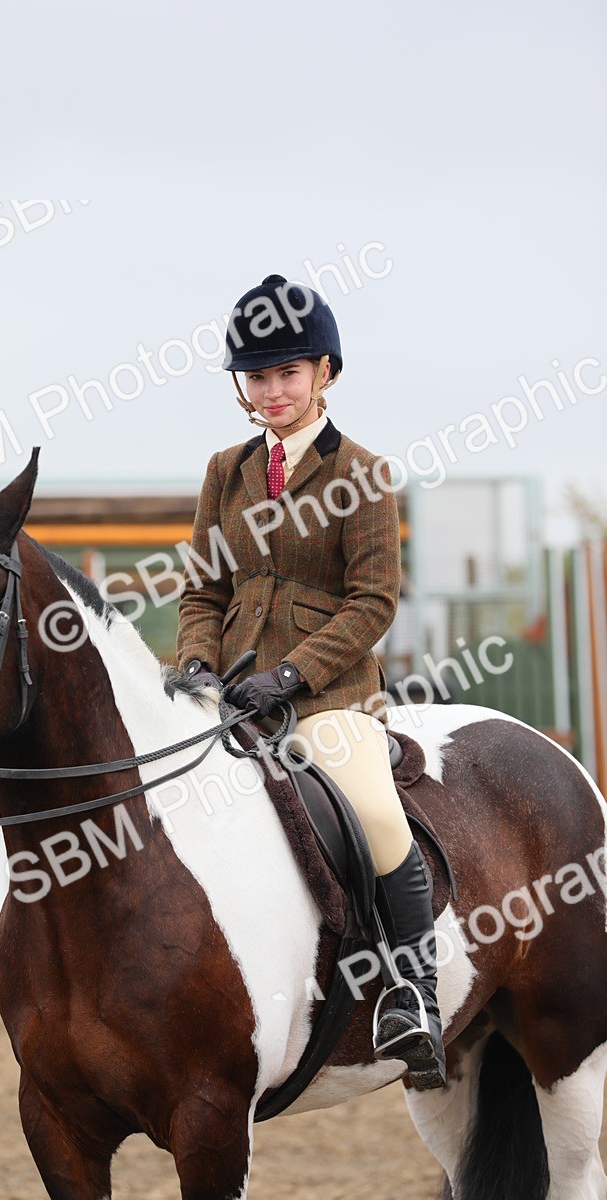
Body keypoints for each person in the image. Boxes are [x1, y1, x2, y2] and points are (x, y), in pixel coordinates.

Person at [175, 273, 445, 1090]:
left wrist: (292, 674)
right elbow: (203, 590)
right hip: (227, 693)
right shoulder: (225, 471)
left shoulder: (363, 472)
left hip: (327, 696)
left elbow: (374, 601)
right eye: (258, 376)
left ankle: (413, 991)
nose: (272, 391)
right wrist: (195, 662)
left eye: (288, 373)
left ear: (324, 371)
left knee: (369, 806)